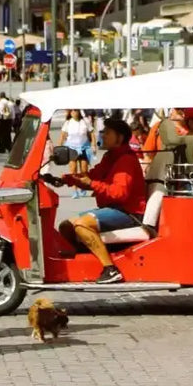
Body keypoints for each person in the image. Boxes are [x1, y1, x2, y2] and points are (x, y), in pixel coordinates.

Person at [56, 118, 147, 285]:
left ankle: (110, 269)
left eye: (107, 133)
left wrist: (90, 184)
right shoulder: (111, 157)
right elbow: (93, 175)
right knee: (65, 226)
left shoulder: (125, 160)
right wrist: (68, 180)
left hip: (129, 213)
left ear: (119, 138)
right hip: (116, 209)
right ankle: (90, 257)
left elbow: (119, 193)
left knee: (82, 224)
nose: (102, 135)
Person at [58, 109, 94, 175]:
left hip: (84, 147)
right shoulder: (68, 122)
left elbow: (91, 132)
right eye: (71, 111)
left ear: (79, 111)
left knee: (84, 169)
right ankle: (74, 184)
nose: (73, 112)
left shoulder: (85, 121)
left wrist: (94, 145)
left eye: (75, 110)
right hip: (71, 148)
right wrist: (59, 148)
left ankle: (83, 184)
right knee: (73, 169)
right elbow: (62, 135)